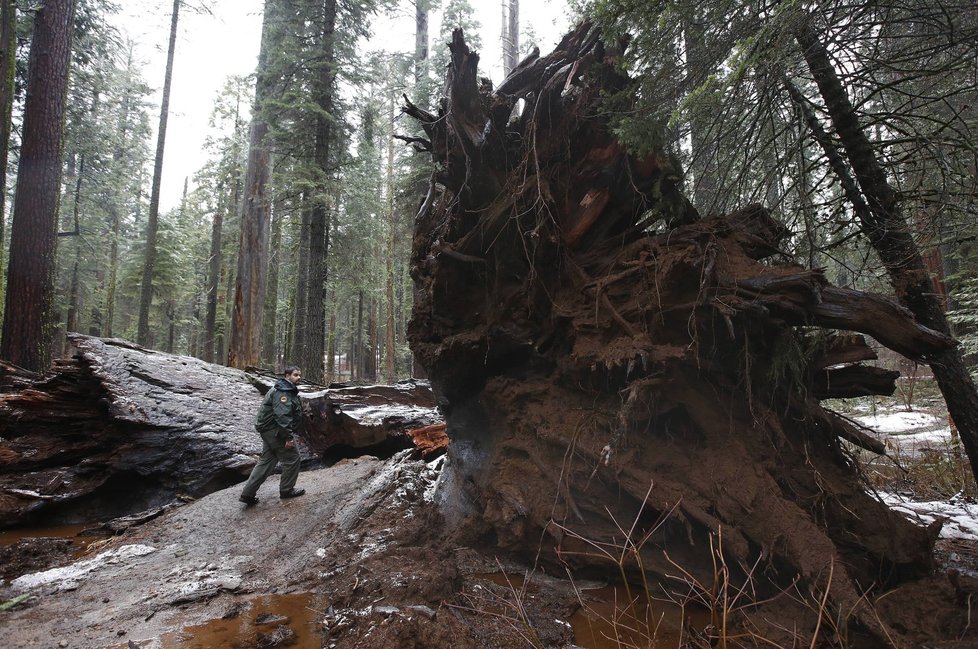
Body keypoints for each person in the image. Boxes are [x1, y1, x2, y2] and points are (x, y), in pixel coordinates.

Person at [239, 365, 306, 505]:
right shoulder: (283, 392)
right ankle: (287, 490)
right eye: (295, 375)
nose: (298, 377)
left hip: (269, 430)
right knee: (292, 458)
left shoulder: (285, 389)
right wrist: (288, 437)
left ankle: (247, 493)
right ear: (287, 375)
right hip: (275, 431)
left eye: (299, 375)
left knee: (267, 461)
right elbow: (282, 416)